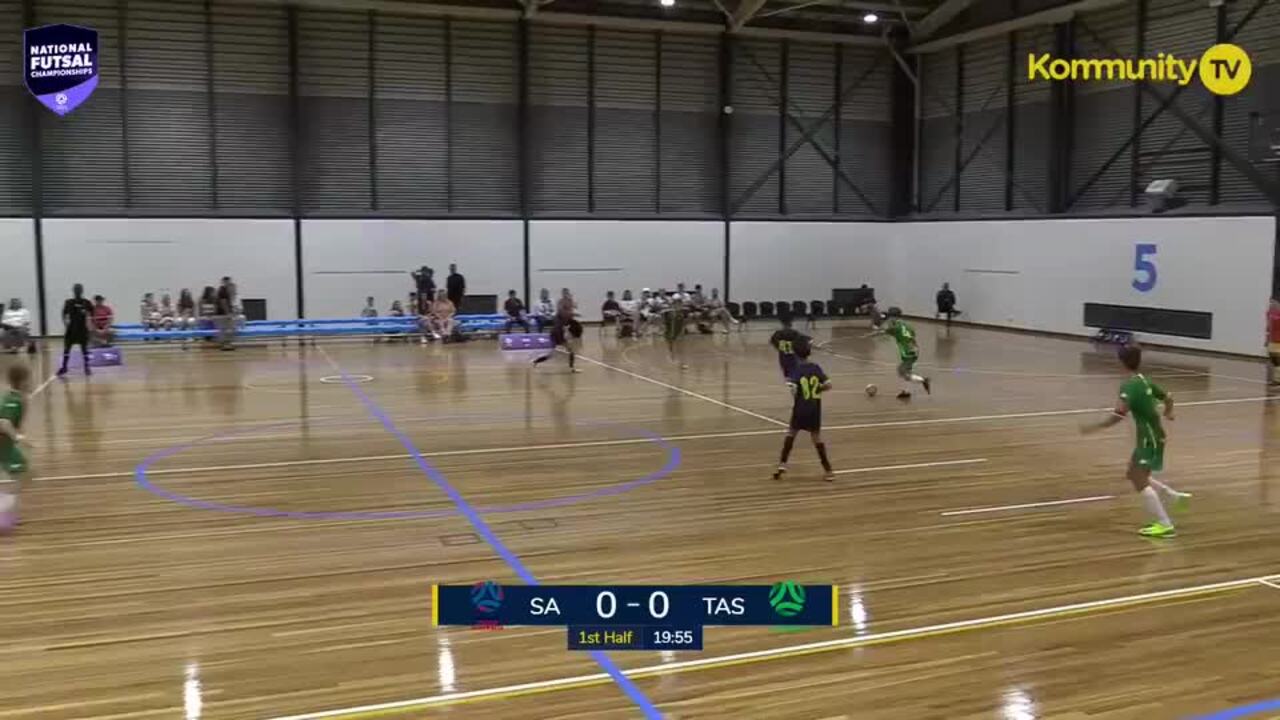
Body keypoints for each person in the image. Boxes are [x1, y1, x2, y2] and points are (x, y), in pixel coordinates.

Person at [1080, 344, 1191, 538]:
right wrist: (1169, 411)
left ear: (1120, 363)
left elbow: (1119, 414)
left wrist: (1095, 427)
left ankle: (1165, 524)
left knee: (1139, 480)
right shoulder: (1145, 381)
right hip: (1153, 436)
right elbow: (1169, 397)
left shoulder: (1128, 386)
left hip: (1149, 439)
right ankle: (1174, 496)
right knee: (1133, 472)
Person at [772, 341, 835, 482]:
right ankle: (828, 470)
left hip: (800, 407)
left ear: (796, 355)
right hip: (814, 408)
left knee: (791, 434)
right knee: (816, 438)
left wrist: (797, 394)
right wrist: (818, 389)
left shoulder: (797, 369)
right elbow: (829, 385)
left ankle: (782, 464)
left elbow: (793, 388)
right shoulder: (816, 367)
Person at [872, 307, 931, 399]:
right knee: (907, 371)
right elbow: (909, 334)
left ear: (893, 317)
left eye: (890, 317)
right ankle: (906, 392)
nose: (889, 319)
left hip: (907, 351)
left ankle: (923, 380)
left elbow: (884, 332)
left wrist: (874, 333)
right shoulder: (907, 325)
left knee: (901, 371)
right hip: (914, 349)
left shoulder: (894, 326)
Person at [0, 364, 32, 532]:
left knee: (23, 474)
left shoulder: (18, 397)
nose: (31, 382)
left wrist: (22, 436)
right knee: (23, 474)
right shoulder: (13, 400)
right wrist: (19, 438)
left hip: (6, 444)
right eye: (29, 379)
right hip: (3, 445)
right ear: (22, 381)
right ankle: (4, 507)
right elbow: (4, 423)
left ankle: (9, 510)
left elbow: (15, 424)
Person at [532, 297, 584, 373]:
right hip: (557, 334)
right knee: (555, 353)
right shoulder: (562, 314)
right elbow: (568, 318)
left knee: (568, 351)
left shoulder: (563, 315)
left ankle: (536, 361)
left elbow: (569, 321)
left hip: (557, 334)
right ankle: (537, 361)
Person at [58, 284, 94, 377]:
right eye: (76, 289)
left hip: (82, 329)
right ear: (73, 291)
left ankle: (87, 367)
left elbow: (93, 313)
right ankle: (64, 367)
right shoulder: (68, 302)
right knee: (67, 349)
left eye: (79, 289)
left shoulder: (86, 302)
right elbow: (63, 314)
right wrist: (65, 323)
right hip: (71, 329)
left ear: (82, 291)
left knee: (84, 349)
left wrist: (90, 324)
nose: (77, 291)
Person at [770, 315, 810, 380]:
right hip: (792, 357)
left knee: (788, 375)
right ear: (791, 325)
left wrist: (780, 347)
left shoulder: (778, 333)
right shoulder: (794, 333)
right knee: (793, 373)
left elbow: (773, 342)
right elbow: (802, 340)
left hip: (783, 358)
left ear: (782, 324)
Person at [663, 295, 688, 369]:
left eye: (680, 303)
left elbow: (682, 324)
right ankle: (671, 357)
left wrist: (682, 332)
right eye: (676, 304)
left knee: (680, 348)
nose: (678, 305)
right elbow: (668, 324)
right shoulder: (670, 313)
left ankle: (682, 362)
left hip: (678, 332)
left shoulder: (682, 313)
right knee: (671, 348)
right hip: (670, 333)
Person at [215, 278, 236, 351]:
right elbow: (223, 302)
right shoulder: (223, 290)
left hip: (222, 313)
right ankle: (225, 344)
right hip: (222, 314)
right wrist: (228, 313)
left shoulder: (223, 290)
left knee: (226, 329)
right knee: (225, 329)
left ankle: (226, 344)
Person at [1269, 298, 1280, 386]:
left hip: (1278, 340)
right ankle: (1276, 378)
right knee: (1273, 358)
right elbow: (1269, 326)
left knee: (1277, 360)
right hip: (1273, 339)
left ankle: (1277, 379)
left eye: (1273, 302)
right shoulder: (1269, 313)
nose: (1271, 304)